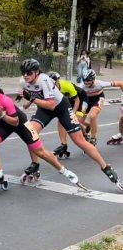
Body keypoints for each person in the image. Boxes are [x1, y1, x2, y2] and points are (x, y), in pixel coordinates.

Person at [18, 58, 122, 191]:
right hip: (45, 108)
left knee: (79, 141)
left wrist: (31, 98)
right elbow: (35, 95)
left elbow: (51, 104)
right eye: (23, 72)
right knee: (30, 132)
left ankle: (106, 167)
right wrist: (28, 102)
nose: (25, 75)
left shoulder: (44, 80)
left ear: (37, 72)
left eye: (28, 72)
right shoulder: (24, 82)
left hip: (60, 107)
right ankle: (34, 164)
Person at [0, 75, 82, 192]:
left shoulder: (5, 101)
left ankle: (64, 171)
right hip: (3, 122)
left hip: (20, 123)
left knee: (40, 152)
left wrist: (2, 115)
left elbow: (15, 122)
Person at [46, 71, 87, 158]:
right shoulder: (49, 89)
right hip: (67, 102)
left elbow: (77, 100)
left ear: (57, 82)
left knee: (74, 119)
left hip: (80, 99)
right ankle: (63, 145)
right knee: (62, 120)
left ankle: (85, 137)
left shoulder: (67, 85)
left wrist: (73, 113)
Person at [78, 69, 123, 146]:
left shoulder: (100, 84)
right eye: (84, 80)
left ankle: (93, 137)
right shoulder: (81, 86)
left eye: (88, 80)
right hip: (86, 100)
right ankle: (89, 125)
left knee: (93, 115)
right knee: (79, 121)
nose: (86, 82)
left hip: (98, 98)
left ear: (93, 79)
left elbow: (121, 83)